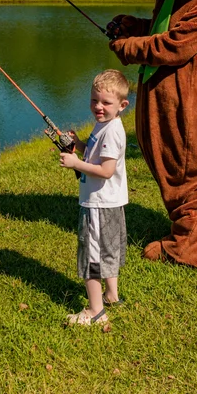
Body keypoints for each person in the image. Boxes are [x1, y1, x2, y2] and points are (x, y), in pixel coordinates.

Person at [59, 69, 130, 326]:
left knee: (92, 256)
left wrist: (76, 163)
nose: (98, 107)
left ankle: (95, 312)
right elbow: (96, 153)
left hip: (98, 204)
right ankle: (111, 295)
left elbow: (106, 170)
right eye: (94, 100)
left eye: (106, 103)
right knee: (108, 252)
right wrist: (78, 144)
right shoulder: (106, 124)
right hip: (108, 203)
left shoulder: (111, 131)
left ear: (122, 105)